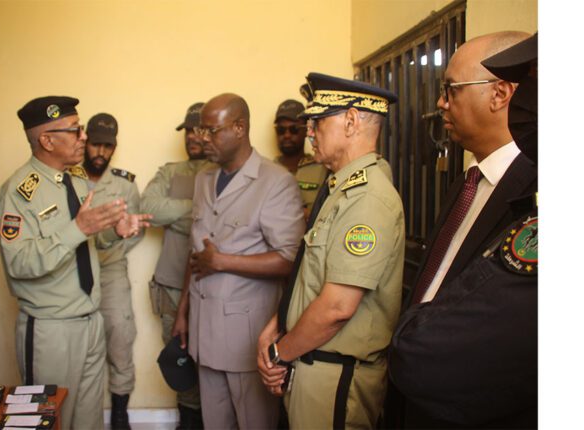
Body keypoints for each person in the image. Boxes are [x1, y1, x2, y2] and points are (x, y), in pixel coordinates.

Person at [387, 31, 538, 428]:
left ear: (499, 94)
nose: (441, 103)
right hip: (417, 391)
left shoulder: (534, 190)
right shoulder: (466, 182)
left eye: (451, 89)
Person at [257, 72, 404, 429]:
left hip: (333, 375)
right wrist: (278, 324)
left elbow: (338, 307)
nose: (309, 133)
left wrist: (279, 353)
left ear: (351, 121)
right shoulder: (340, 188)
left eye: (318, 122)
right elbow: (309, 275)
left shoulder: (367, 198)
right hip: (311, 361)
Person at [0, 96, 149, 429]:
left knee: (88, 422)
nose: (84, 136)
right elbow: (19, 263)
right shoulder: (19, 192)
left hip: (90, 321)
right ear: (47, 140)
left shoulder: (76, 179)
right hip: (52, 329)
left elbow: (86, 242)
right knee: (53, 421)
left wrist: (113, 231)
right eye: (75, 130)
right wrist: (77, 228)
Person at [173, 93, 305, 429]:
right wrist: (183, 310)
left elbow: (290, 259)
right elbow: (196, 253)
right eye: (200, 130)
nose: (203, 138)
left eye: (212, 131)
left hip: (247, 340)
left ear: (240, 128)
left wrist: (223, 262)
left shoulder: (275, 182)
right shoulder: (204, 178)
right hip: (204, 333)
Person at [140, 102, 213, 429]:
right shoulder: (170, 172)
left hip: (213, 285)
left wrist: (175, 216)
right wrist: (198, 212)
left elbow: (224, 216)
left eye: (199, 130)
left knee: (212, 361)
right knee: (180, 359)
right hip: (171, 285)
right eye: (188, 131)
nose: (193, 137)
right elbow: (148, 208)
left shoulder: (220, 171)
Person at [82, 112, 144, 430]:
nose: (101, 153)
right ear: (84, 141)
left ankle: (120, 414)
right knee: (79, 345)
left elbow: (136, 229)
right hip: (74, 274)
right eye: (96, 145)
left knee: (120, 334)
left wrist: (114, 248)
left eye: (108, 147)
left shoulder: (125, 184)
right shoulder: (67, 179)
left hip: (111, 270)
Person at [273, 99, 329, 219]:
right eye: (281, 130)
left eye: (294, 129)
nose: (287, 135)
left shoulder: (323, 170)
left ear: (306, 130)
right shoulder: (266, 172)